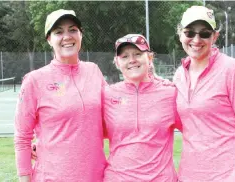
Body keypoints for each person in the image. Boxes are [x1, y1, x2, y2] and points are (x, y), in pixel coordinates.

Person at [14, 9, 107, 182]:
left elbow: (112, 120)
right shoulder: (34, 80)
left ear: (81, 35)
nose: (67, 36)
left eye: (73, 30)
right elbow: (22, 137)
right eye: (58, 32)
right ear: (49, 39)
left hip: (96, 176)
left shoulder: (93, 71)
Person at [172, 6, 235, 181]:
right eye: (189, 32)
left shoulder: (232, 69)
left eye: (204, 33)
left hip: (228, 176)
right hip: (189, 175)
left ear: (215, 36)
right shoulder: (178, 75)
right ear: (180, 34)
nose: (196, 40)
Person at [102, 34, 182, 181]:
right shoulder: (106, 94)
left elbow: (196, 129)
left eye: (138, 54)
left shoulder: (170, 93)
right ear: (117, 62)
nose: (132, 60)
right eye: (124, 56)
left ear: (150, 58)